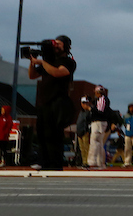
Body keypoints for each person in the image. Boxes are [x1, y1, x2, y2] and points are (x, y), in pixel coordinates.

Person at [27, 35, 77, 171]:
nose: (55, 46)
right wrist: (32, 62)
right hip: (44, 103)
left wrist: (42, 62)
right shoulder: (49, 62)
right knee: (42, 134)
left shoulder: (68, 62)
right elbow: (32, 75)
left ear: (66, 46)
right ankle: (44, 162)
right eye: (55, 44)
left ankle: (55, 164)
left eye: (59, 44)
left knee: (53, 135)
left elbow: (58, 72)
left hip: (57, 102)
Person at [87, 85, 113, 169]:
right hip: (101, 123)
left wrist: (90, 108)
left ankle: (93, 162)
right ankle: (100, 162)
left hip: (98, 123)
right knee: (100, 143)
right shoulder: (102, 100)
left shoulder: (102, 99)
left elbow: (100, 111)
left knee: (94, 142)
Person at [75, 97, 92, 167]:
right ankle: (84, 161)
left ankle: (87, 162)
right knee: (82, 148)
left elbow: (90, 122)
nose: (84, 104)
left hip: (85, 131)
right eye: (83, 103)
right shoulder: (81, 112)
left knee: (86, 148)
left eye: (85, 103)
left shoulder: (89, 112)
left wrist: (88, 131)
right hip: (79, 131)